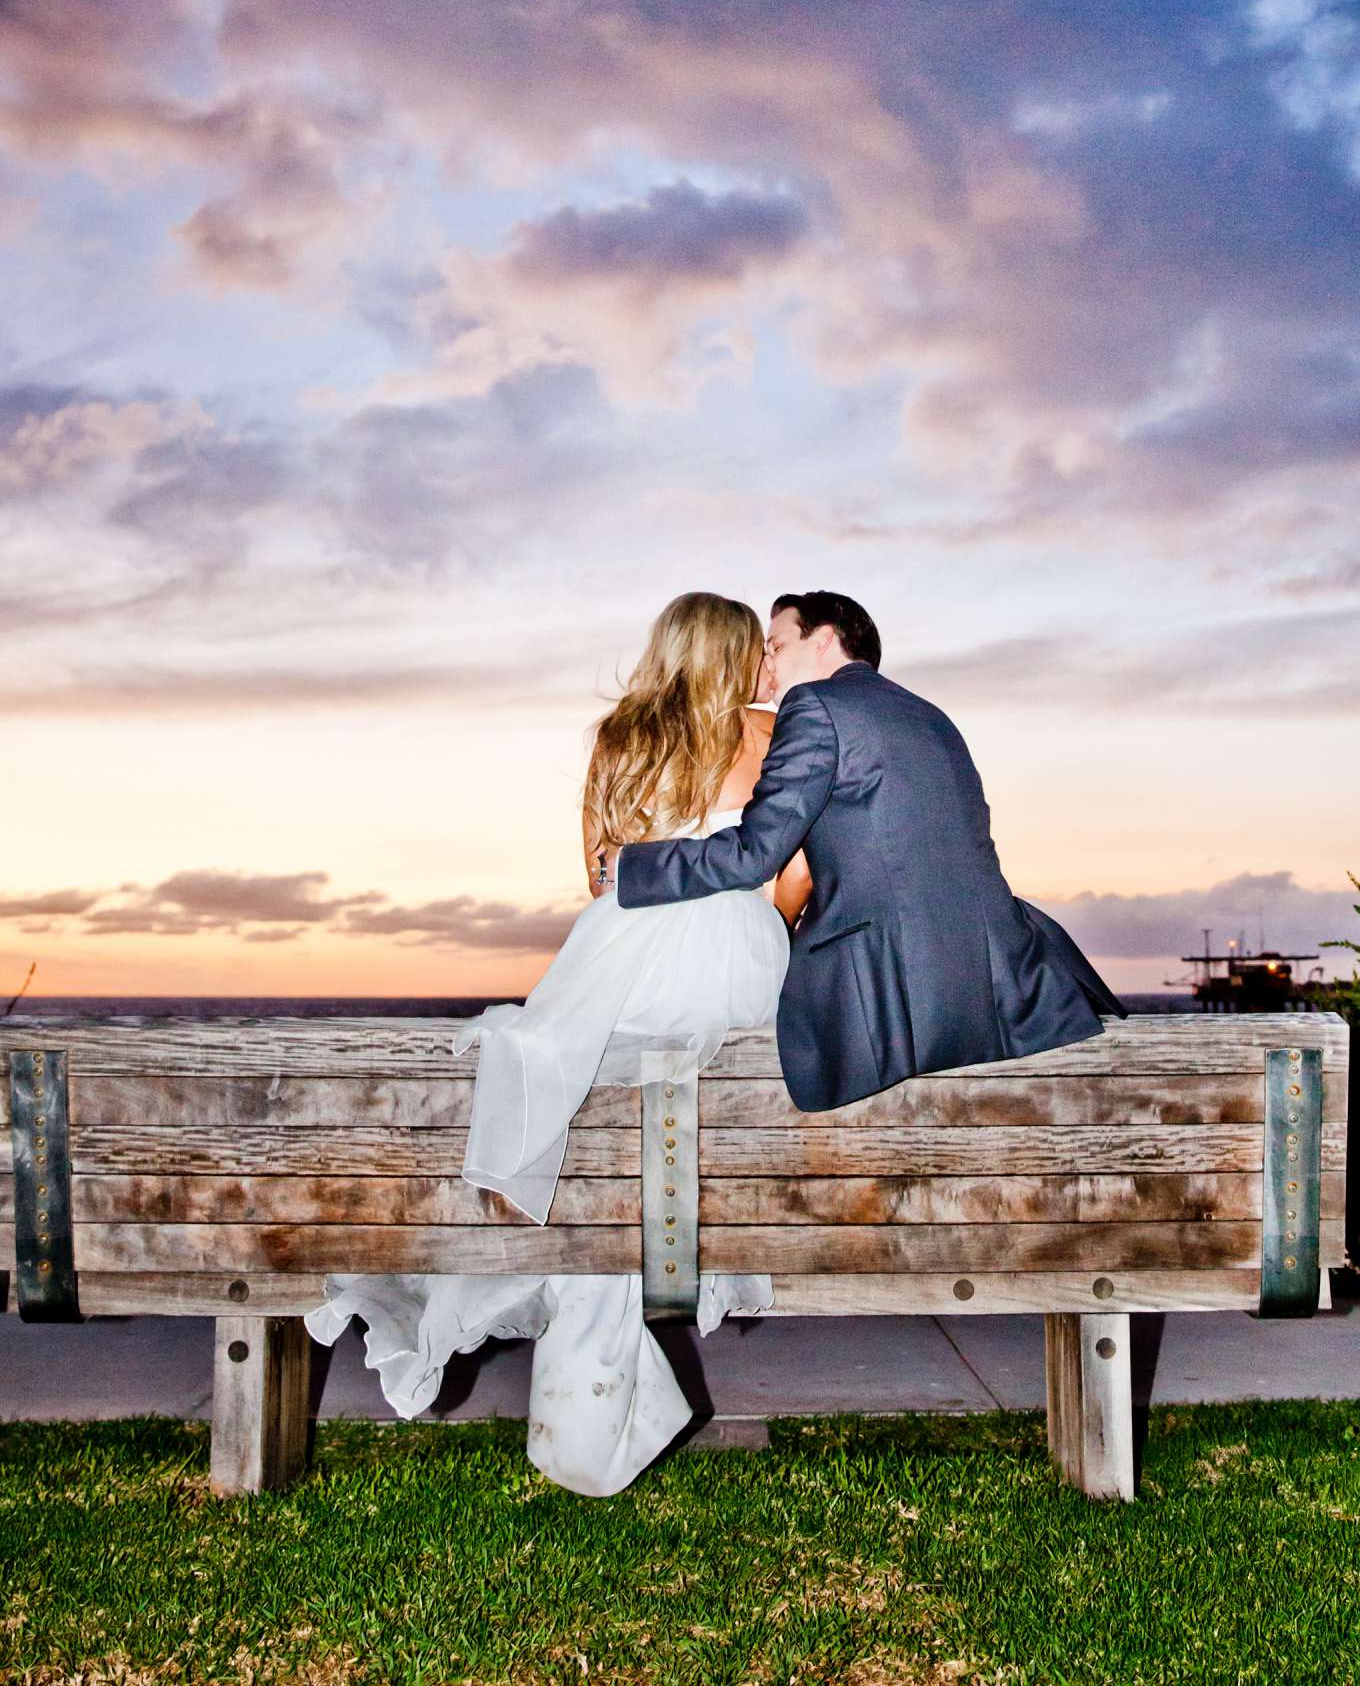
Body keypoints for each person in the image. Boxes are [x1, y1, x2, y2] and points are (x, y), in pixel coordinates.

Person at [305, 592, 802, 1497]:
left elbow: (597, 869)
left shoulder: (622, 736)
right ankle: (618, 1344)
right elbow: (794, 877)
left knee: (549, 1063)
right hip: (738, 960)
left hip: (629, 945)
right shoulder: (767, 739)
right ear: (736, 657)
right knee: (675, 1095)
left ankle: (587, 1339)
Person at [610, 591, 1126, 1111]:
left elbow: (756, 852)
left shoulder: (813, 706)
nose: (767, 662)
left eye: (777, 644)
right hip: (998, 974)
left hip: (883, 983)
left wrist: (630, 868)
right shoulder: (928, 714)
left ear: (824, 641)